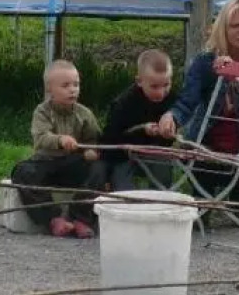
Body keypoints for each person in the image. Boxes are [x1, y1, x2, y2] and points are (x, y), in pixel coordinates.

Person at [157, 0, 239, 204]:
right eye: (236, 26)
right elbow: (187, 101)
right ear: (224, 28)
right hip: (207, 142)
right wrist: (172, 116)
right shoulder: (205, 61)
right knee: (195, 157)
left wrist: (238, 82)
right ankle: (202, 200)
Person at [10, 60, 104, 238]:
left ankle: (80, 218)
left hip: (72, 165)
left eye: (76, 84)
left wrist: (91, 151)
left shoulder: (84, 114)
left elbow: (95, 139)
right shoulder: (42, 112)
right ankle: (53, 218)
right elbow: (41, 138)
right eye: (65, 85)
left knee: (100, 168)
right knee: (22, 171)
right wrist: (60, 140)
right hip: (46, 162)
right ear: (50, 91)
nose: (72, 89)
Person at [100, 49, 175, 192]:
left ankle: (159, 206)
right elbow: (110, 139)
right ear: (139, 81)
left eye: (166, 85)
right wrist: (142, 130)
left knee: (163, 170)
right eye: (154, 86)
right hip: (123, 156)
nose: (161, 92)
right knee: (123, 191)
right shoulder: (122, 104)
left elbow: (168, 142)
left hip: (154, 153)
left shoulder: (171, 99)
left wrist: (167, 132)